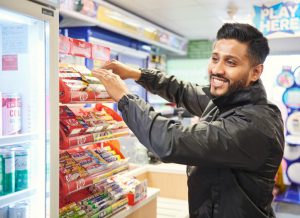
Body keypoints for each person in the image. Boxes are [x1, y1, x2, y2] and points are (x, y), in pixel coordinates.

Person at [92, 23, 284, 218]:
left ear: (255, 72)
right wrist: (136, 73)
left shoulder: (255, 124)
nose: (217, 70)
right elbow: (183, 91)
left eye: (231, 62)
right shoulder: (226, 99)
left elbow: (170, 141)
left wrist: (125, 98)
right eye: (215, 58)